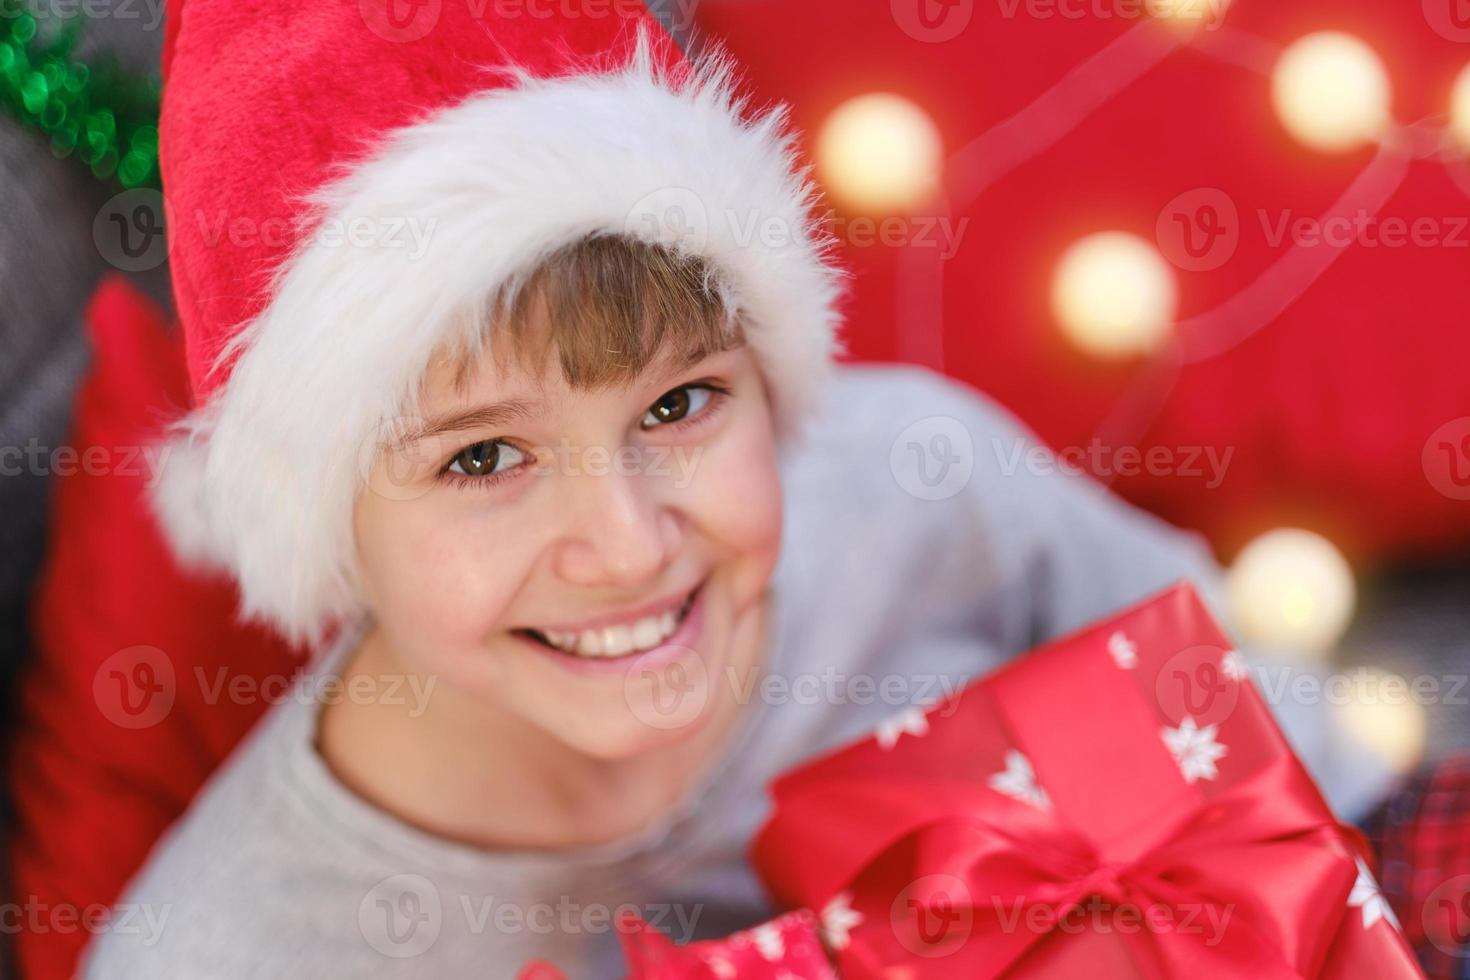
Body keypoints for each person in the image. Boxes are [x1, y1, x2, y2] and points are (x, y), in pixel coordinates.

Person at [80, 2, 1393, 976]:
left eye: (676, 404)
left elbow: (1287, 754)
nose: (624, 546)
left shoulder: (910, 486)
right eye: (481, 458)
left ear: (767, 380)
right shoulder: (231, 951)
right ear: (324, 519)